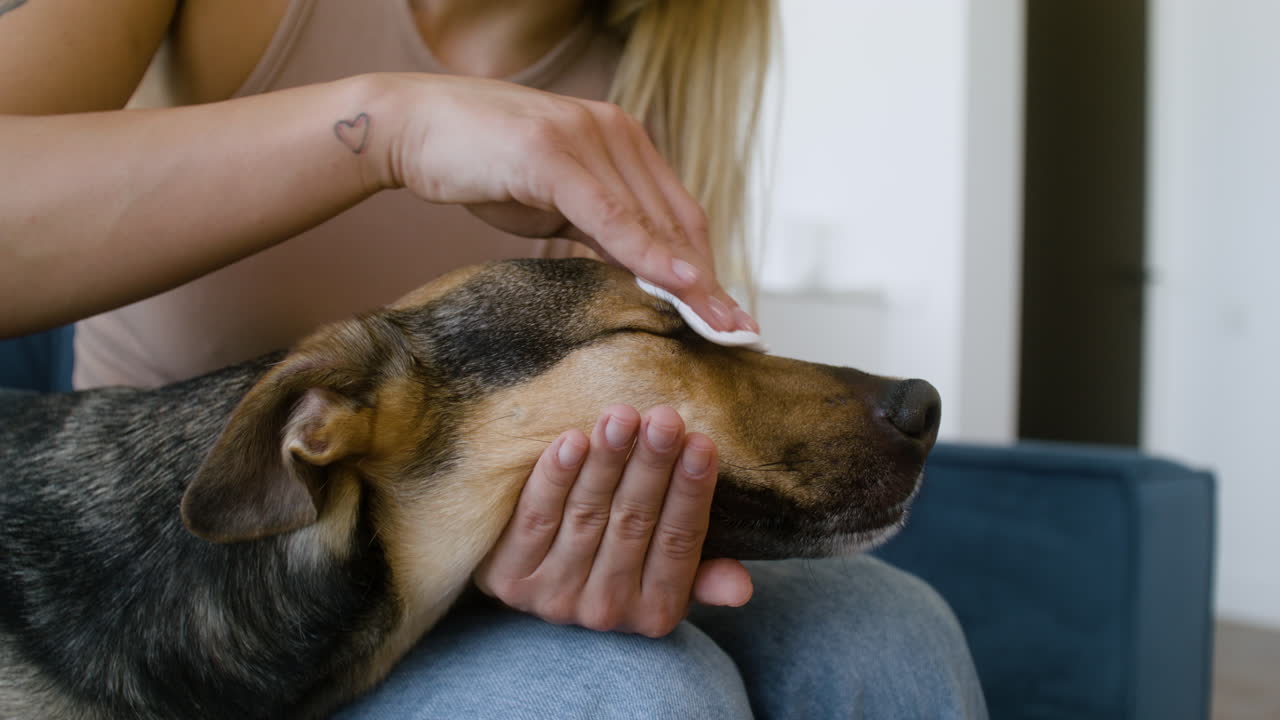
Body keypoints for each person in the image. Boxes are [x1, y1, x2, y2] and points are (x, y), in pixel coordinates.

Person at [0, 0, 988, 717]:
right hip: (174, 598)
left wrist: (603, 540)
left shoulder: (662, 70)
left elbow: (689, 402)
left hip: (441, 608)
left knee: (884, 624)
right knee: (630, 692)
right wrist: (393, 129)